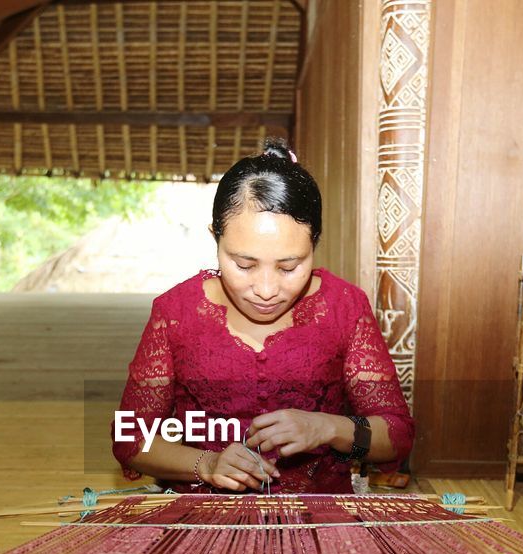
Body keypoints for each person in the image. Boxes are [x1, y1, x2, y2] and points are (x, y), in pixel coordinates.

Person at [112, 139, 414, 493]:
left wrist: (328, 428)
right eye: (243, 265)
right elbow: (130, 439)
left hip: (319, 516)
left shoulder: (344, 308)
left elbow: (397, 436)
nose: (267, 289)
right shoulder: (176, 313)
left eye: (289, 266)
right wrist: (206, 464)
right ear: (216, 238)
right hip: (204, 515)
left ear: (314, 243)